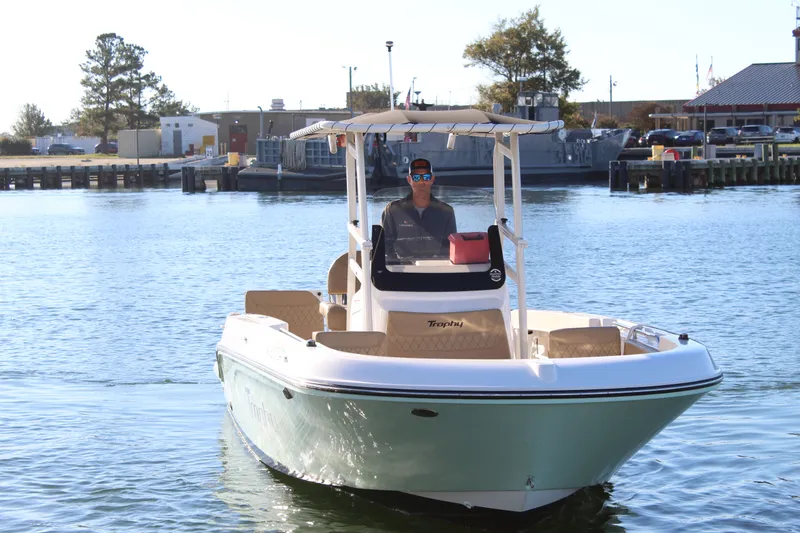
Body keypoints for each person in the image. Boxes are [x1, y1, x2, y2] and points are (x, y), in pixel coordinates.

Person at [381, 158, 457, 260]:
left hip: (437, 269)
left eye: (426, 177)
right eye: (416, 177)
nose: (421, 182)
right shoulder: (392, 210)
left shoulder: (447, 211)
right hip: (402, 270)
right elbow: (385, 246)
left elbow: (451, 247)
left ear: (432, 179)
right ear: (409, 180)